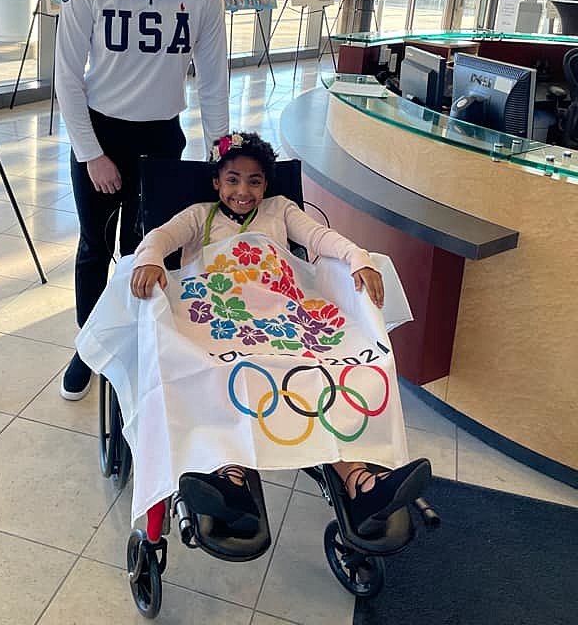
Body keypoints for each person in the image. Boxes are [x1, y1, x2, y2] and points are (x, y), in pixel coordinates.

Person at [130, 131, 431, 537]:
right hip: (219, 316)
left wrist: (359, 259)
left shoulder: (281, 210)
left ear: (266, 184)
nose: (243, 190)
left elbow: (321, 239)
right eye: (232, 179)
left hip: (284, 313)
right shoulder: (199, 216)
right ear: (216, 182)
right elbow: (160, 238)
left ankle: (363, 484)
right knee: (223, 373)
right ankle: (230, 480)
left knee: (332, 371)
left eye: (254, 181)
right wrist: (149, 259)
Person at [55, 0, 229, 401]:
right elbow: (66, 75)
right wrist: (92, 155)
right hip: (103, 138)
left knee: (147, 250)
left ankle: (135, 341)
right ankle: (89, 347)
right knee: (94, 248)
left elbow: (215, 80)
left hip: (162, 140)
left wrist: (219, 153)